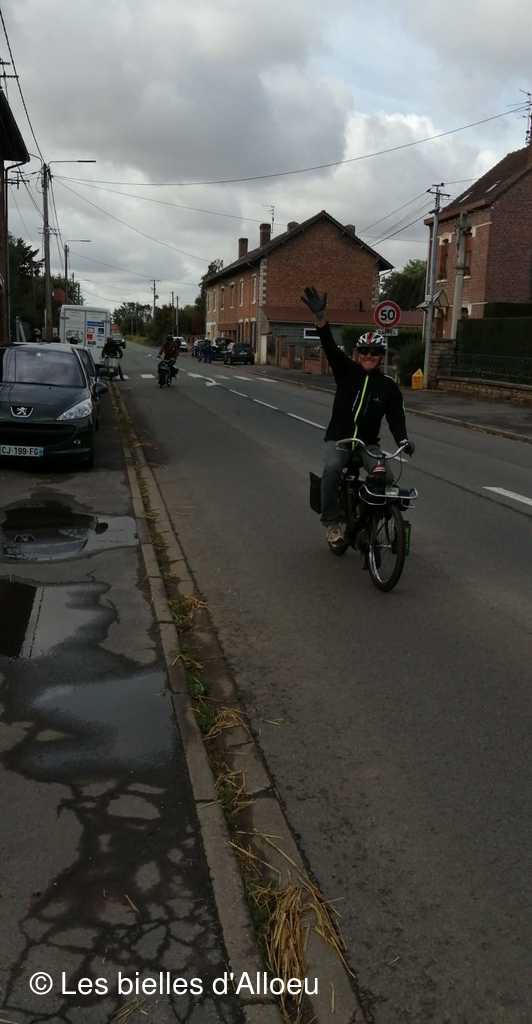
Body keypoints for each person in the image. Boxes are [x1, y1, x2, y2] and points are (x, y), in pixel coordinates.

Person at [301, 286, 415, 548]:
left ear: (381, 357)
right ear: (357, 353)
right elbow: (329, 346)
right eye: (364, 351)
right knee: (332, 470)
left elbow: (396, 417)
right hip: (339, 439)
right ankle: (332, 523)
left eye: (374, 352)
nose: (369, 356)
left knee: (385, 478)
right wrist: (320, 318)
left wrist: (403, 440)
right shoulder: (346, 371)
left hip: (367, 444)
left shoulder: (388, 386)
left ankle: (368, 520)